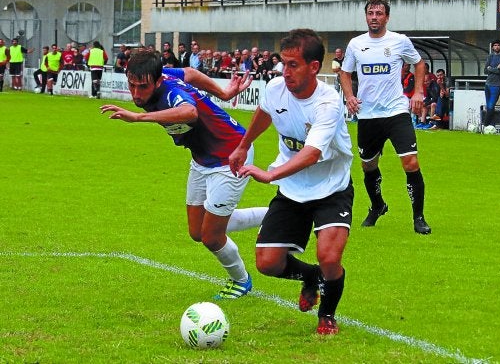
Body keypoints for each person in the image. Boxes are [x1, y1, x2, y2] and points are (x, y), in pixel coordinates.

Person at [100, 51, 266, 300]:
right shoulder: (161, 72)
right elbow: (189, 73)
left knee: (211, 236)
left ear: (157, 82)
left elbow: (190, 112)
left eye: (142, 87)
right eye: (131, 85)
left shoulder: (171, 94)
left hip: (230, 155)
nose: (136, 93)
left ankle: (241, 281)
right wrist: (223, 93)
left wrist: (138, 117)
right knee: (197, 231)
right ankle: (272, 215)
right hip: (202, 158)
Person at [229, 29, 354, 335]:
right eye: (283, 63)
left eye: (293, 65)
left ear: (314, 67)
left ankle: (327, 314)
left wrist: (270, 174)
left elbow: (311, 153)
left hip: (331, 188)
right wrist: (244, 145)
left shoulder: (328, 103)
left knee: (329, 256)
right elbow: (264, 113)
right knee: (267, 263)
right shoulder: (275, 88)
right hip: (293, 188)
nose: (285, 72)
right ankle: (310, 277)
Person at [340, 0, 431, 234]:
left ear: (387, 17)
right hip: (368, 115)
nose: (374, 17)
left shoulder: (399, 41)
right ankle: (377, 206)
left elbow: (419, 64)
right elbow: (344, 73)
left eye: (379, 13)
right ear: (366, 17)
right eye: (370, 13)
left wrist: (419, 92)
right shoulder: (356, 44)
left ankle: (418, 218)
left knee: (410, 163)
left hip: (396, 112)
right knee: (368, 166)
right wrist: (349, 96)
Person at [483, 39, 500, 127]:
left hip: (497, 85)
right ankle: (491, 125)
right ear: (492, 47)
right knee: (489, 106)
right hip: (488, 84)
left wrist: (490, 68)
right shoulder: (490, 56)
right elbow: (485, 70)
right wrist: (493, 69)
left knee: (490, 105)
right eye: (495, 45)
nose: (496, 47)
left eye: (498, 45)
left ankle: (485, 125)